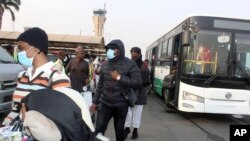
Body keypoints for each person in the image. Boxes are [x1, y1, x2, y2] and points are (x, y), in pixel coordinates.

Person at [3, 27, 71, 126]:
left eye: (21, 48)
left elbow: (63, 117)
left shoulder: (58, 78)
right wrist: (5, 125)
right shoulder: (22, 76)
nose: (18, 53)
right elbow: (15, 109)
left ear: (36, 49)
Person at [90, 39, 142, 141]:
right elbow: (100, 85)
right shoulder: (105, 64)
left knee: (119, 132)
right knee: (99, 130)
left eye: (110, 49)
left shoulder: (130, 64)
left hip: (121, 104)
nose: (108, 51)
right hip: (104, 104)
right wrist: (95, 102)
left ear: (118, 50)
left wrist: (120, 78)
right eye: (107, 49)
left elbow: (138, 82)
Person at [124, 47, 150, 140]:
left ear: (140, 55)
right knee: (128, 112)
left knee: (137, 112)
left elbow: (146, 80)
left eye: (136, 54)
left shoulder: (144, 65)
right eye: (132, 54)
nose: (134, 56)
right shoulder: (127, 63)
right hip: (129, 91)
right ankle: (127, 129)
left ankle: (135, 130)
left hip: (140, 91)